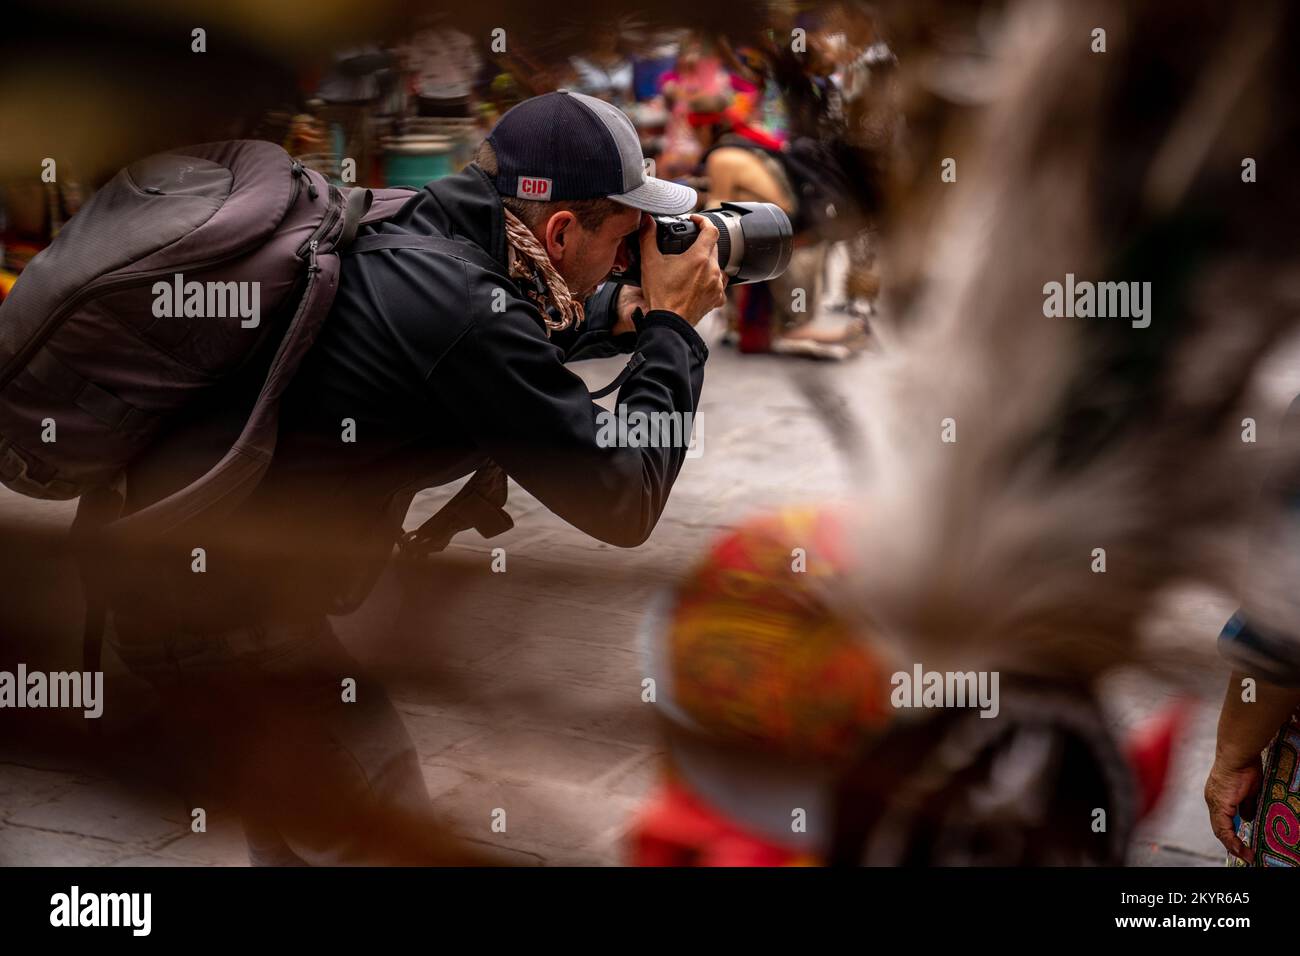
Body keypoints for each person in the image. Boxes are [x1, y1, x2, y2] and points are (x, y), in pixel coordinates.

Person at [105, 90, 727, 864]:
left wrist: (615, 315)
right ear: (561, 230)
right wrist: (673, 329)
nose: (632, 260)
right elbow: (623, 496)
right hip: (221, 620)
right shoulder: (464, 306)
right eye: (627, 240)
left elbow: (491, 339)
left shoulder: (418, 225)